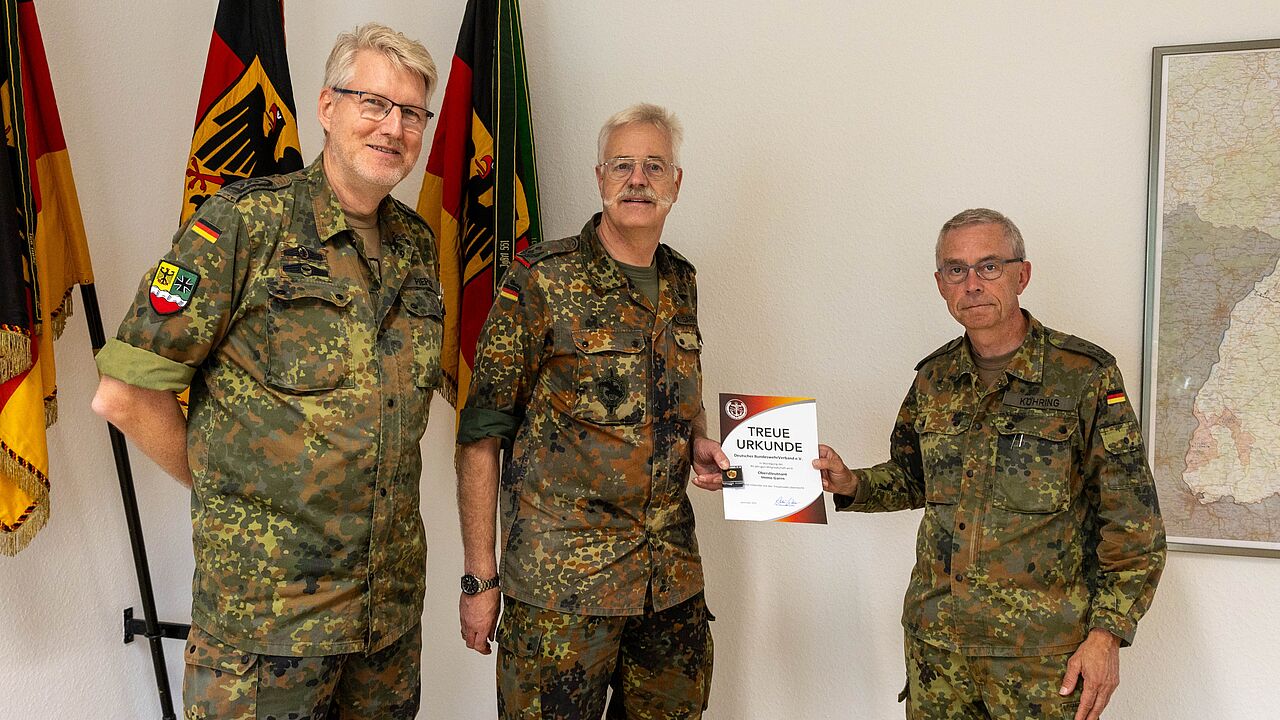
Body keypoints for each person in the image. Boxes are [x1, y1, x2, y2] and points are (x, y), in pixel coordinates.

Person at [92, 23, 440, 719]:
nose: (393, 126)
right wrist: (230, 485)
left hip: (385, 622)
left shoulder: (417, 246)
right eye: (373, 102)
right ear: (326, 106)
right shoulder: (243, 225)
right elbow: (125, 393)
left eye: (411, 112)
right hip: (266, 625)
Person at [814, 208, 1166, 720]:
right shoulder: (934, 379)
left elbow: (1134, 525)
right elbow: (913, 479)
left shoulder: (1083, 376)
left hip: (1042, 660)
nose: (972, 283)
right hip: (940, 651)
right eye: (956, 270)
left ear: (1021, 274)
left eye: (989, 267)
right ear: (940, 284)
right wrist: (852, 482)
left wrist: (1106, 636)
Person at [455, 103, 727, 719]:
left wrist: (700, 441)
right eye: (623, 165)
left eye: (654, 166)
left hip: (670, 587)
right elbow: (481, 432)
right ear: (600, 177)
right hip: (563, 595)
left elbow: (678, 398)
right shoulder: (539, 281)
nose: (639, 179)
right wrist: (480, 577)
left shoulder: (680, 281)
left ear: (675, 184)